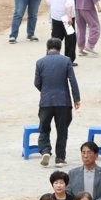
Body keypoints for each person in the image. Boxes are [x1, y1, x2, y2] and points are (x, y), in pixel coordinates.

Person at [34, 38, 82, 168]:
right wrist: (76, 98)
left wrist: (45, 91)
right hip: (63, 102)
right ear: (60, 48)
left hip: (46, 102)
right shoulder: (66, 60)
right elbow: (73, 81)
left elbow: (37, 83)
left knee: (44, 128)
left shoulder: (40, 62)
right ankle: (60, 158)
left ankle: (45, 151)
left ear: (47, 48)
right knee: (62, 130)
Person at [48, 0, 78, 64]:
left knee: (55, 38)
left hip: (55, 15)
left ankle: (51, 58)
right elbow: (69, 3)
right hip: (66, 17)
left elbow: (48, 1)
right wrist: (69, 17)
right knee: (70, 39)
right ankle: (69, 60)